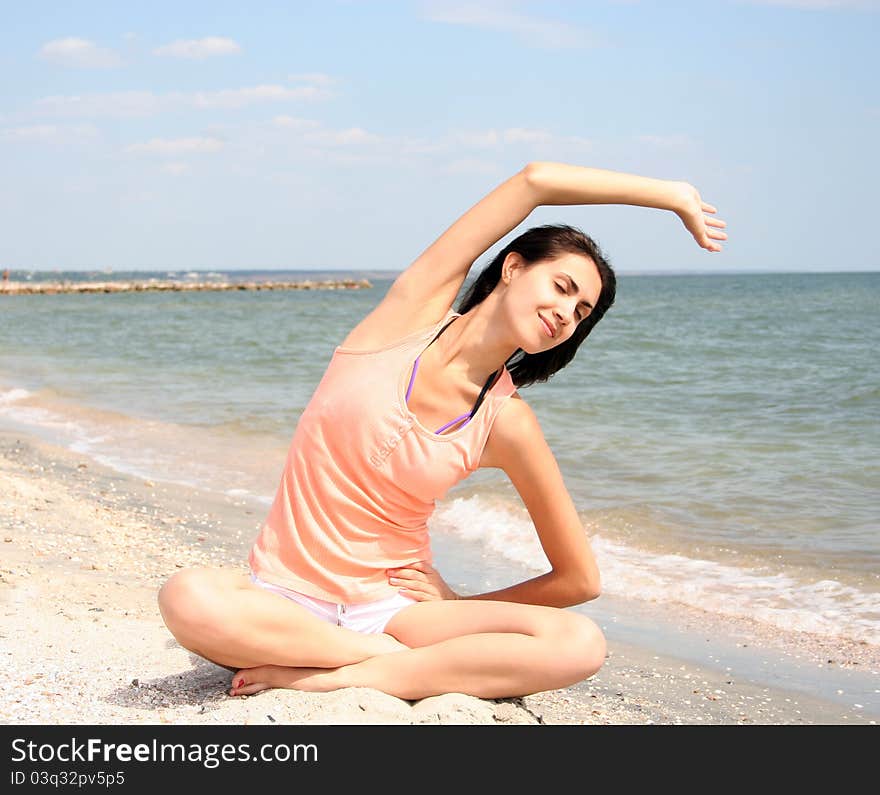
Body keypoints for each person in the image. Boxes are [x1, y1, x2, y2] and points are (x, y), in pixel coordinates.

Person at [157, 161, 727, 700]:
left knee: (578, 642)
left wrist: (460, 602)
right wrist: (669, 195)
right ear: (512, 267)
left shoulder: (506, 420)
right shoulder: (406, 317)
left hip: (397, 608)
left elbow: (579, 579)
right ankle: (369, 661)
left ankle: (345, 675)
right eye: (561, 286)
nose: (566, 312)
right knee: (187, 596)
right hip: (285, 597)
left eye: (581, 313)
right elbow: (533, 181)